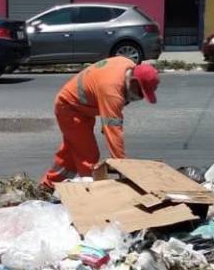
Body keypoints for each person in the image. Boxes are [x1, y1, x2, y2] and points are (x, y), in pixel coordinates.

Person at [40, 57, 160, 190]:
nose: (138, 98)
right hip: (69, 108)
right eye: (139, 93)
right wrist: (123, 167)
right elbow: (114, 133)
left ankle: (47, 186)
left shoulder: (127, 64)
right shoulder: (112, 90)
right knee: (88, 156)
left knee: (71, 155)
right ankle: (92, 194)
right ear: (133, 81)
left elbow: (112, 116)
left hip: (82, 108)